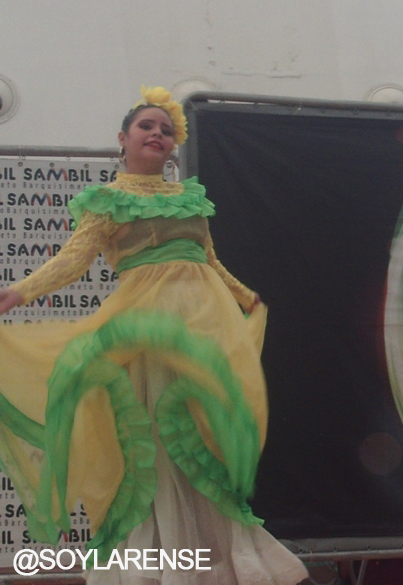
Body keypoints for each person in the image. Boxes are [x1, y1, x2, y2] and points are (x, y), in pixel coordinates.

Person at [0, 87, 309, 584]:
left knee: (202, 435)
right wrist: (20, 291)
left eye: (166, 130)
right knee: (160, 442)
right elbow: (74, 260)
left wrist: (243, 294)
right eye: (146, 126)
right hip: (148, 326)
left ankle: (216, 557)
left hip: (201, 324)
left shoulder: (189, 197)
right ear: (123, 138)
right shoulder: (107, 201)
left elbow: (207, 258)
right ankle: (158, 562)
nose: (157, 134)